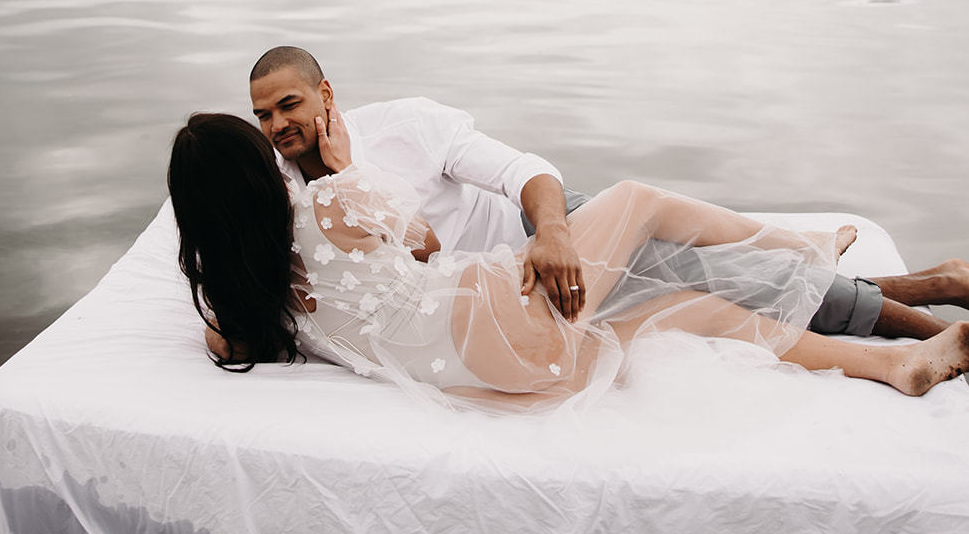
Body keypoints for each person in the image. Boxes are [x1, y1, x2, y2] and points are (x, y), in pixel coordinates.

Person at [167, 109, 969, 407]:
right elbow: (427, 246)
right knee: (634, 199)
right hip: (501, 319)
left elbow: (236, 341)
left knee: (667, 309)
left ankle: (889, 367)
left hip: (500, 380)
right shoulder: (331, 199)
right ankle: (800, 242)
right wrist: (346, 171)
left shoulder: (233, 306)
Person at [244, 45, 969, 348]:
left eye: (289, 105)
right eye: (265, 116)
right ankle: (927, 284)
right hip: (500, 301)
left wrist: (552, 233)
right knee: (718, 289)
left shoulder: (405, 127)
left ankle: (927, 327)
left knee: (714, 276)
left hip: (552, 237)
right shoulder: (277, 192)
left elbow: (524, 171)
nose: (279, 126)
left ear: (326, 94)